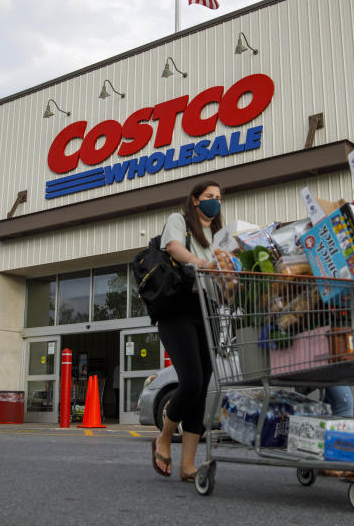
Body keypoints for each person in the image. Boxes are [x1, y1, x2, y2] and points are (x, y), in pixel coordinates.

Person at [152, 180, 222, 482]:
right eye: (209, 197)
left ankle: (188, 464)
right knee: (191, 382)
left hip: (208, 312)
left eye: (218, 198)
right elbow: (174, 247)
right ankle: (165, 436)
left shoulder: (219, 235)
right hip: (178, 309)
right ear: (195, 200)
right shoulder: (178, 221)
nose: (214, 202)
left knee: (202, 387)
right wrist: (198, 261)